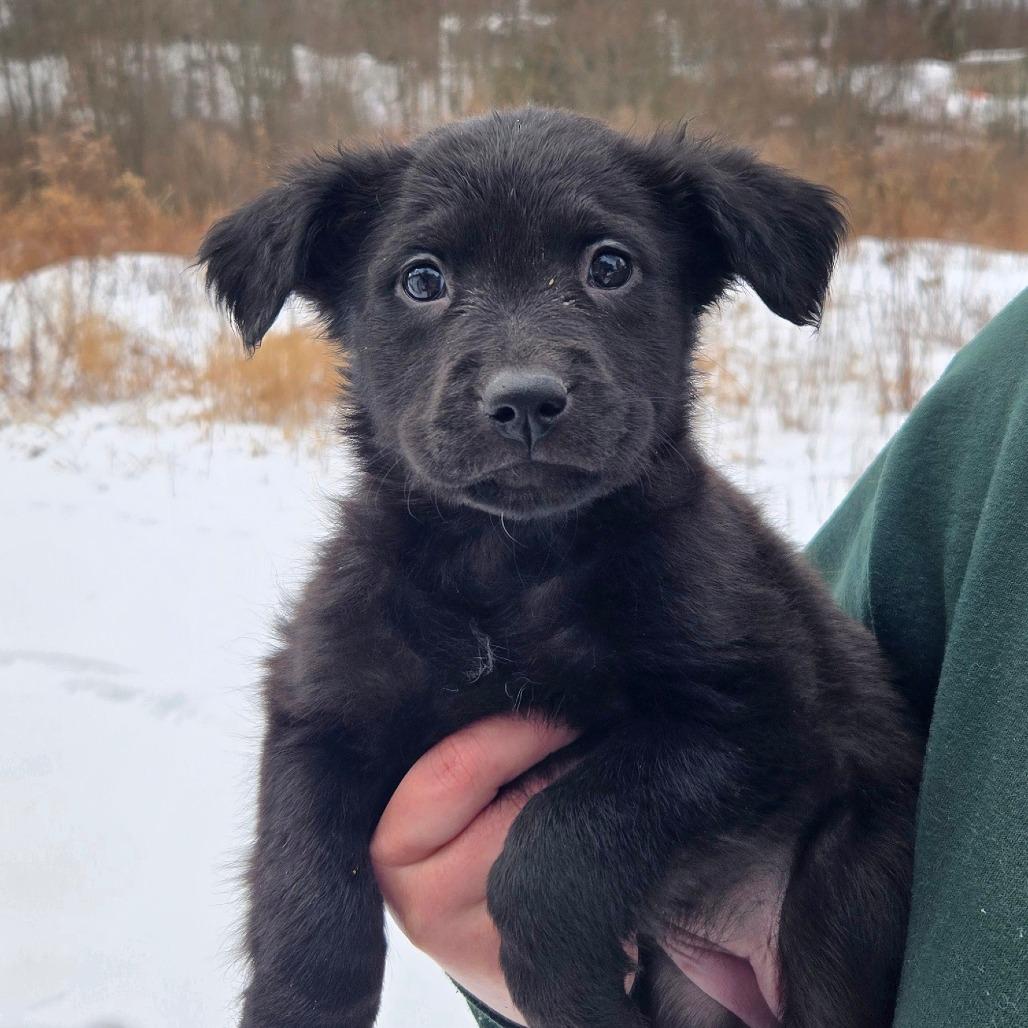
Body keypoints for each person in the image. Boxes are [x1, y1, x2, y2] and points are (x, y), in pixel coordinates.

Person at [371, 288, 1028, 1028]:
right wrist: (539, 949)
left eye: (607, 268)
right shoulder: (1010, 399)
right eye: (426, 281)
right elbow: (814, 716)